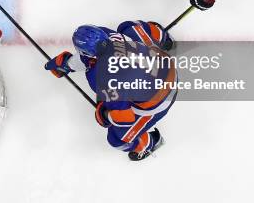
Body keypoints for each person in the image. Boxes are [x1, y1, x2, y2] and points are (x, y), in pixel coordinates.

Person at [44, 20, 177, 161]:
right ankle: (164, 38)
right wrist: (68, 63)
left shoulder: (104, 79)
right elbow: (92, 57)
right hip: (166, 66)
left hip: (161, 99)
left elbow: (124, 119)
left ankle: (148, 144)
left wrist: (104, 115)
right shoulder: (108, 35)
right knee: (128, 27)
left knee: (117, 139)